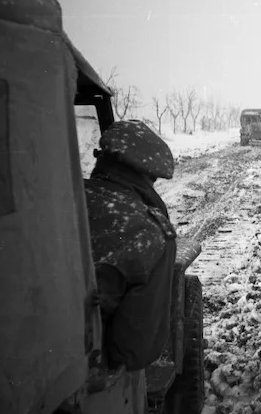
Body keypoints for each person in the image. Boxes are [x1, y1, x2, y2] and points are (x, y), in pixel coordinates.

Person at [84, 120, 177, 370]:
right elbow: (135, 350)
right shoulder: (149, 233)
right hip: (89, 381)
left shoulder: (60, 199)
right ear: (149, 174)